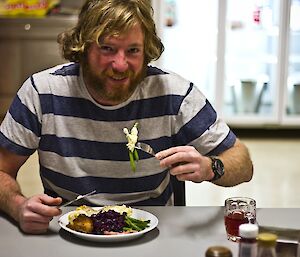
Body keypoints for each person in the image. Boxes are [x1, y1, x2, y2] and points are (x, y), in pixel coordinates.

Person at [0, 0, 253, 234]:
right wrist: (18, 205)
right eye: (107, 48)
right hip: (70, 233)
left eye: (133, 50)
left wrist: (211, 167)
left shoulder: (174, 94)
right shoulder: (42, 92)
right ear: (84, 47)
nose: (120, 64)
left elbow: (242, 162)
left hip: (155, 235)